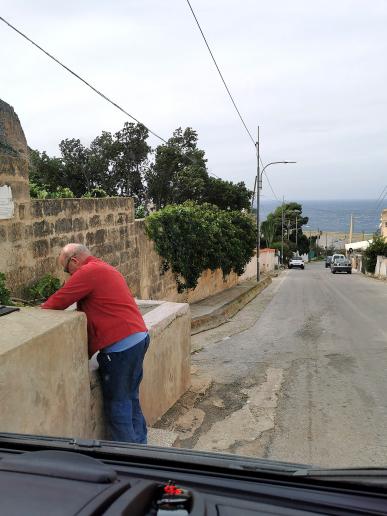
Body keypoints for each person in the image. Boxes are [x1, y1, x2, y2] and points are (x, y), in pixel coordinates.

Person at [41, 243, 149, 444]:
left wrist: (36, 311)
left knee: (118, 404)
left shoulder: (87, 271)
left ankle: (129, 457)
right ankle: (141, 446)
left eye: (66, 270)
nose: (68, 275)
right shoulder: (104, 268)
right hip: (138, 337)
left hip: (121, 346)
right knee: (131, 397)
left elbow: (56, 303)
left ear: (74, 261)